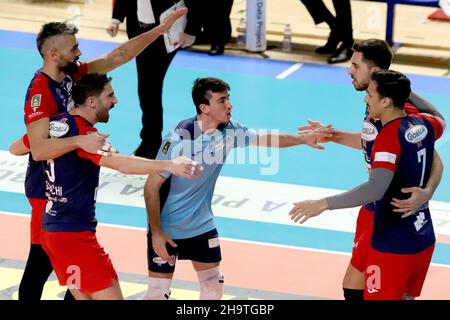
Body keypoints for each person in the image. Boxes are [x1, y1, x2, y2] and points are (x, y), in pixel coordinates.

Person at [9, 9, 187, 301]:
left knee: (73, 272)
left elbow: (118, 56)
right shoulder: (40, 92)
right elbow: (39, 149)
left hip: (72, 180)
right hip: (48, 189)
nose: (79, 53)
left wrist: (157, 32)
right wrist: (80, 140)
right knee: (43, 262)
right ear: (53, 53)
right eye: (74, 48)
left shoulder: (71, 73)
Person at [142, 77, 333, 300]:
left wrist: (303, 139)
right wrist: (155, 232)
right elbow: (150, 187)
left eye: (228, 98)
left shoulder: (229, 130)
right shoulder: (180, 138)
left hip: (201, 224)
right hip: (168, 227)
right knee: (157, 294)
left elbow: (265, 138)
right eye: (222, 100)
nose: (229, 105)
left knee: (213, 286)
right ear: (204, 108)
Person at [298, 38, 445, 301]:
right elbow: (375, 145)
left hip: (389, 213)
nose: (349, 70)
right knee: (353, 284)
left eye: (355, 65)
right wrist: (335, 136)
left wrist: (428, 191)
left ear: (375, 74)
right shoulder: (376, 104)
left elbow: (432, 149)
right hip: (374, 209)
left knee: (383, 291)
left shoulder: (400, 111)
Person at [107, 0, 199, 159]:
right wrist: (116, 19)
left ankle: (150, 144)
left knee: (149, 88)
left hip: (167, 31)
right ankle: (150, 142)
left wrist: (191, 29)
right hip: (138, 29)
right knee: (147, 89)